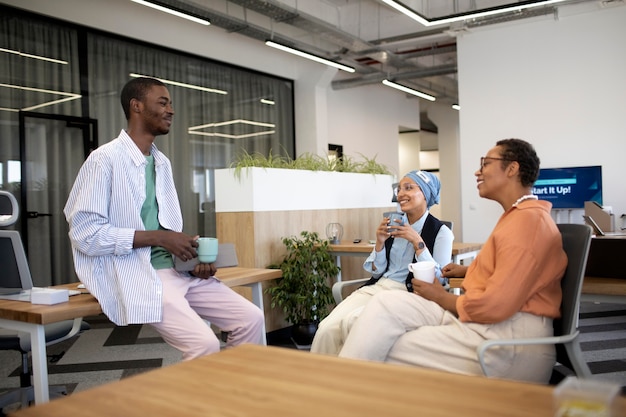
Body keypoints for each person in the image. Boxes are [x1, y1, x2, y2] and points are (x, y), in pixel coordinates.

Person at [63, 77, 264, 360]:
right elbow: (86, 235)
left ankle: (227, 394)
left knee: (251, 318)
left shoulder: (161, 162)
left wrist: (187, 253)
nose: (171, 110)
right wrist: (160, 238)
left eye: (170, 103)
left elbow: (164, 227)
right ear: (137, 106)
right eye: (163, 102)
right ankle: (194, 403)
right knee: (203, 344)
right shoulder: (104, 160)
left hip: (179, 271)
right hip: (142, 274)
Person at [338, 138, 567, 384]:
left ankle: (337, 397)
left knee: (385, 344)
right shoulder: (518, 217)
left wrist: (440, 296)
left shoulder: (527, 222)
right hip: (487, 325)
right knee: (386, 303)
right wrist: (470, 270)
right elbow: (515, 272)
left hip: (506, 343)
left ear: (512, 169)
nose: (477, 171)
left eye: (486, 164)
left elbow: (496, 304)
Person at [310, 170, 454, 355]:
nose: (401, 194)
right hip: (378, 287)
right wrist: (379, 242)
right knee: (326, 329)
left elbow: (439, 280)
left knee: (352, 323)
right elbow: (376, 271)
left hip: (408, 293)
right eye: (399, 189)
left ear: (425, 194)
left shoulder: (441, 232)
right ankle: (319, 380)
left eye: (408, 188)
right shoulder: (394, 224)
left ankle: (349, 378)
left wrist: (417, 242)